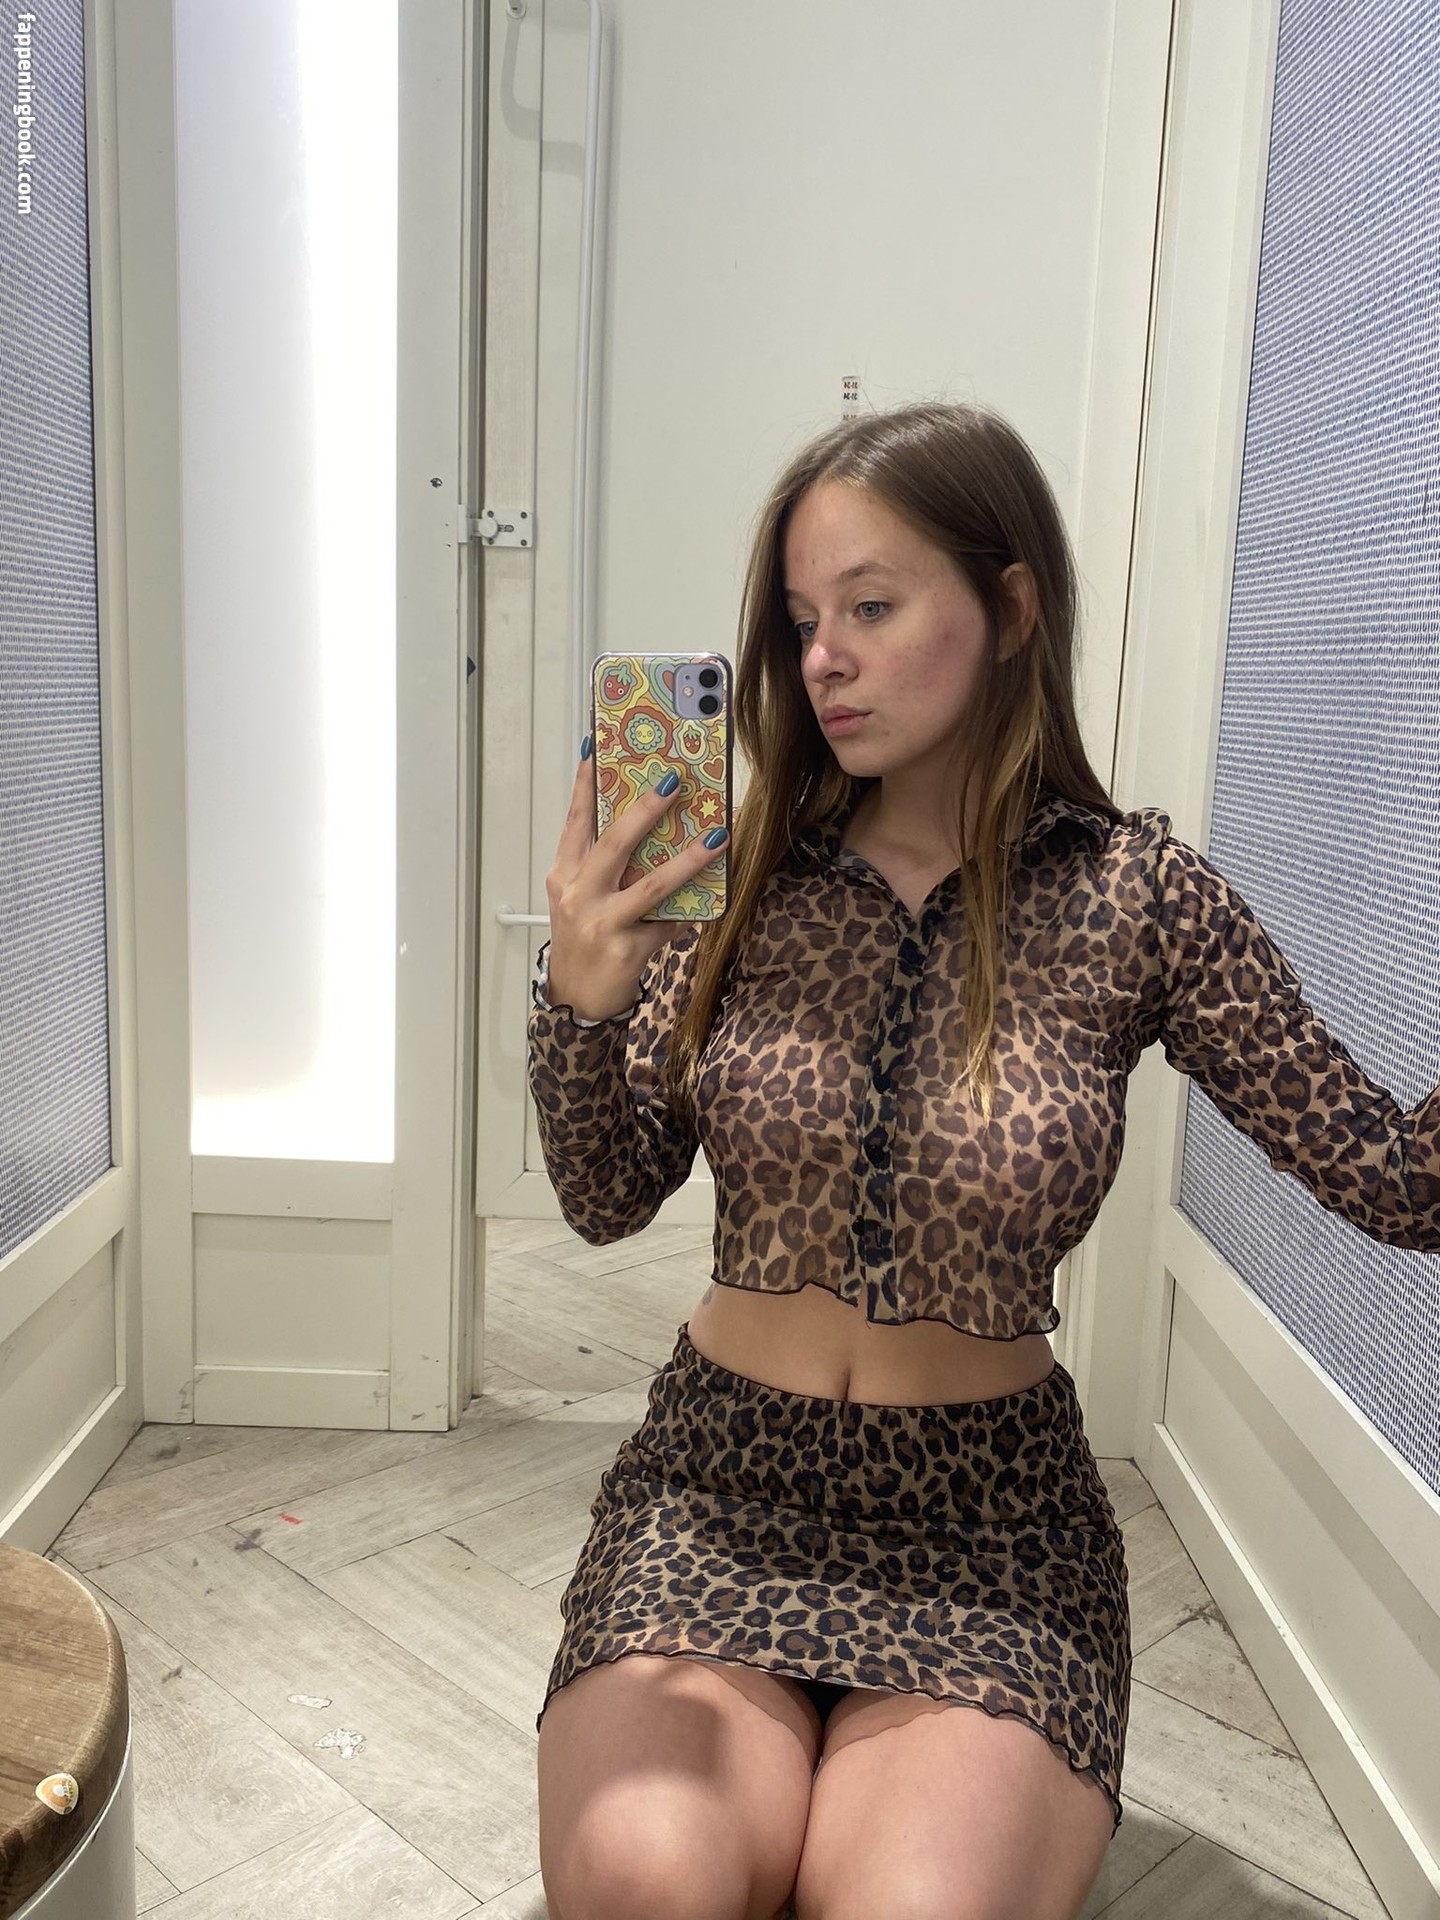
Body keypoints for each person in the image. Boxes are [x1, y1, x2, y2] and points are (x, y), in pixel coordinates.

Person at [524, 402, 1439, 1920]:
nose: (824, 659)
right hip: (716, 1489)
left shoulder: (1137, 899)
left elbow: (1399, 1178)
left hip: (988, 1527)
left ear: (1010, 608)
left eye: (871, 608)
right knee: (646, 1883)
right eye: (803, 621)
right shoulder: (735, 883)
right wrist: (580, 999)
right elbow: (607, 1197)